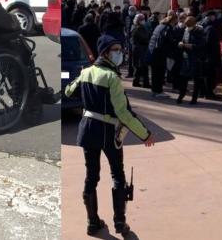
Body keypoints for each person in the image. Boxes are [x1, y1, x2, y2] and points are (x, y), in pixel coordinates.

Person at [65, 35, 155, 236]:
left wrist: (86, 92)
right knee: (117, 175)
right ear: (105, 52)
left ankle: (92, 222)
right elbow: (123, 113)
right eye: (115, 49)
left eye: (119, 49)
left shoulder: (86, 71)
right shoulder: (112, 77)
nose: (119, 53)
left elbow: (70, 91)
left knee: (91, 176)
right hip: (108, 132)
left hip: (88, 129)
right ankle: (120, 223)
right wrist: (145, 134)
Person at [176, 16, 206, 105]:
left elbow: (202, 45)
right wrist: (180, 43)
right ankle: (181, 95)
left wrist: (191, 46)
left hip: (195, 58)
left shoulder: (199, 32)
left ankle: (194, 98)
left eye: (189, 26)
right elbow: (183, 40)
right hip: (186, 58)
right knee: (183, 78)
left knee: (196, 79)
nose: (188, 27)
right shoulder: (186, 30)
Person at [149, 14, 176, 96]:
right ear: (172, 21)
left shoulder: (159, 26)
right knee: (160, 73)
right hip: (161, 53)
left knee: (154, 73)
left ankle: (154, 90)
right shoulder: (168, 28)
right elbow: (169, 40)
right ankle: (159, 91)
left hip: (153, 51)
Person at [130, 13, 150, 90]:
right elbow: (144, 38)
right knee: (143, 66)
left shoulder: (137, 28)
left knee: (138, 66)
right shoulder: (138, 29)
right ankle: (145, 83)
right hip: (140, 49)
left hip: (138, 49)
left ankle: (136, 81)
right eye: (142, 19)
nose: (143, 21)